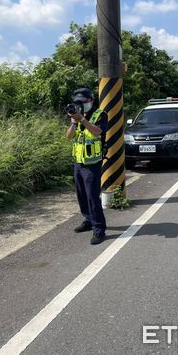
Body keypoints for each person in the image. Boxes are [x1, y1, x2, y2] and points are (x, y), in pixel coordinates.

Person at [66, 87, 108, 245]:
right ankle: (88, 220)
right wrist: (73, 122)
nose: (81, 105)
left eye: (83, 102)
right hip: (78, 162)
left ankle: (99, 229)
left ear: (91, 101)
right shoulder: (75, 115)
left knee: (92, 196)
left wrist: (83, 120)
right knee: (81, 195)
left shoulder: (100, 114)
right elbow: (69, 136)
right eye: (78, 102)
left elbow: (97, 132)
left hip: (92, 164)